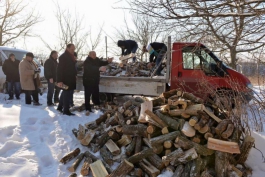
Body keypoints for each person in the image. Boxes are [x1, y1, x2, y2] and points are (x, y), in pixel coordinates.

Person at [56, 44, 77, 116]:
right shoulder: (63, 57)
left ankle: (60, 107)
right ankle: (66, 110)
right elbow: (59, 69)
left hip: (71, 78)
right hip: (65, 79)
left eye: (74, 49)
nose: (73, 50)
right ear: (67, 48)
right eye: (72, 49)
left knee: (66, 93)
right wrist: (59, 81)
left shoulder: (71, 56)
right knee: (66, 94)